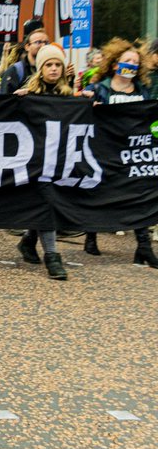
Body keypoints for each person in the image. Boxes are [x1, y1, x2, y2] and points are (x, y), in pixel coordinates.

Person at [81, 38, 156, 267]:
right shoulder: (99, 89)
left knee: (139, 194)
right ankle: (91, 235)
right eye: (127, 61)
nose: (131, 65)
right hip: (105, 150)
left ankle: (143, 246)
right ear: (115, 64)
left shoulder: (144, 91)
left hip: (134, 153)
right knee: (100, 192)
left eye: (135, 62)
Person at [12, 44, 81, 280]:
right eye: (48, 65)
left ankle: (29, 240)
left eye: (57, 65)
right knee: (47, 202)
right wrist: (17, 101)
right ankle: (52, 256)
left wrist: (87, 105)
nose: (53, 69)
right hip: (35, 160)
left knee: (48, 203)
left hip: (59, 159)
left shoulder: (68, 95)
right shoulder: (28, 94)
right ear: (40, 69)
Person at [0, 22, 49, 94]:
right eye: (38, 42)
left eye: (46, 42)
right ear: (27, 46)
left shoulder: (49, 69)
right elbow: (5, 100)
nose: (43, 45)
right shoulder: (15, 71)